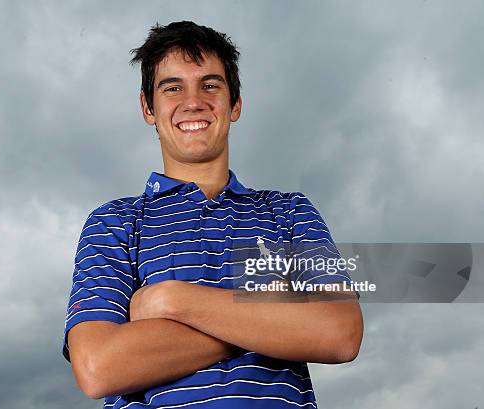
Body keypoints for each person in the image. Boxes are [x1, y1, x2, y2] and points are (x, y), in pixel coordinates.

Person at [62, 21, 363, 408]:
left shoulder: (290, 211)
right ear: (147, 107)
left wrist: (174, 301)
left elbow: (340, 332)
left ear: (234, 103)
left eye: (210, 85)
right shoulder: (115, 222)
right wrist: (276, 323)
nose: (193, 101)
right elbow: (98, 367)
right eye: (172, 87)